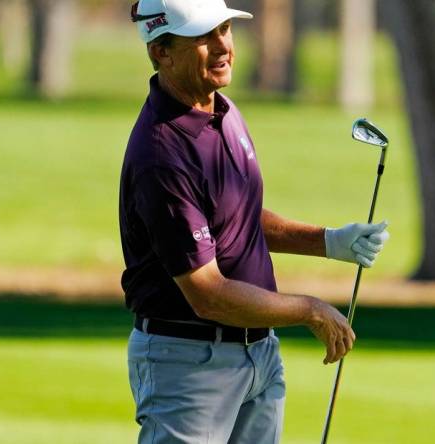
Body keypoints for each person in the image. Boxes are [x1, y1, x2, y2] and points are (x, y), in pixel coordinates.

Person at [119, 1, 390, 443]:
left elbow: (235, 218)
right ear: (161, 52)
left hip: (258, 357)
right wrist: (311, 310)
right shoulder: (162, 155)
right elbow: (207, 294)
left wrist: (331, 242)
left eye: (225, 28)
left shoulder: (222, 111)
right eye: (204, 36)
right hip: (189, 364)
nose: (223, 44)